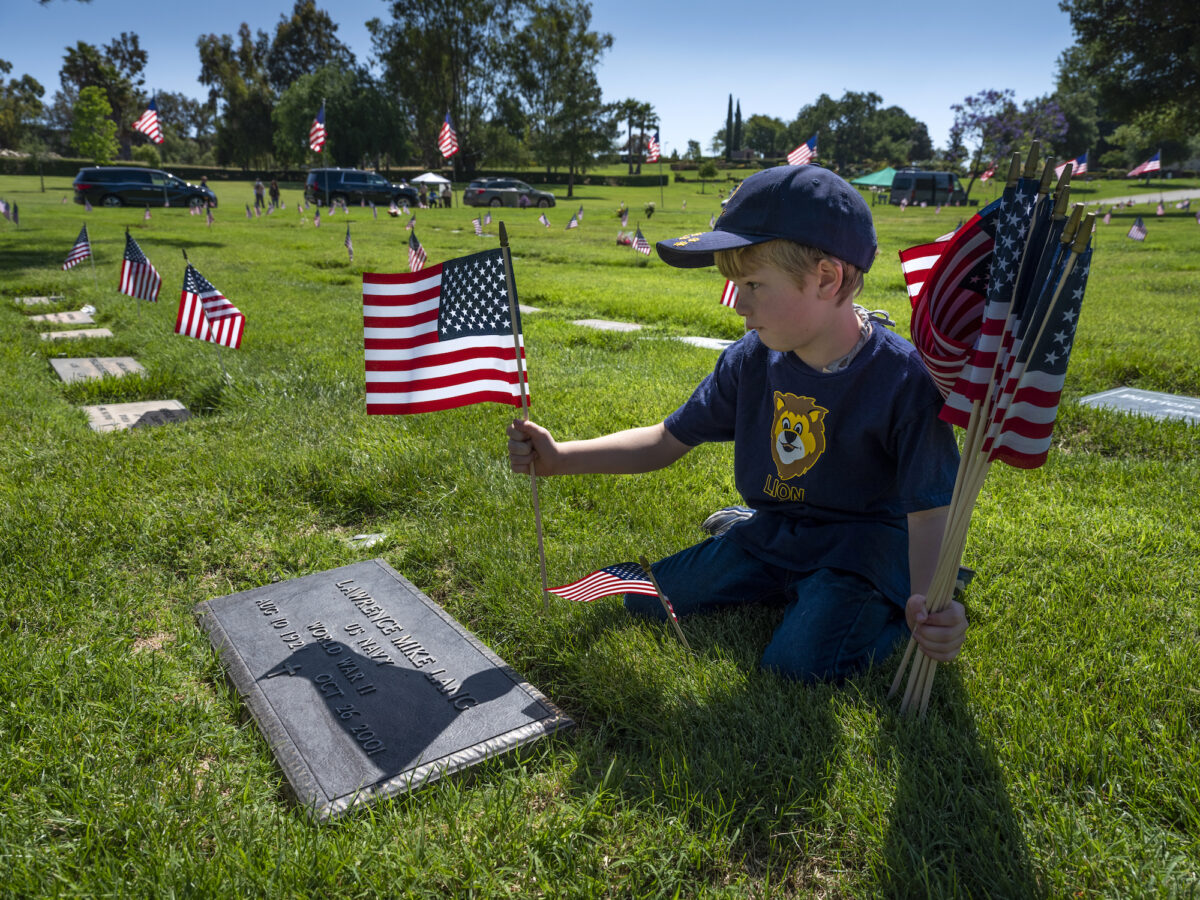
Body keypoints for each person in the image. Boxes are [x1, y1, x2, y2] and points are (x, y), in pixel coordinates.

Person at [507, 165, 968, 683]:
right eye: (734, 285)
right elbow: (665, 439)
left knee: (797, 666)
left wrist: (930, 604)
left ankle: (882, 608)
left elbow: (931, 513)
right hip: (777, 531)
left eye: (752, 284)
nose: (738, 305)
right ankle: (746, 535)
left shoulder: (903, 379)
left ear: (826, 278)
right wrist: (561, 457)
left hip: (859, 549)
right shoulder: (751, 360)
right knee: (645, 598)